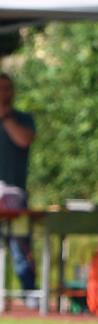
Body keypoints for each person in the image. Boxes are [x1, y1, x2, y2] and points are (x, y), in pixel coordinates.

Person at [0, 72, 38, 306]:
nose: (5, 93)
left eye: (8, 88)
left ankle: (30, 294)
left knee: (21, 248)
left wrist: (6, 118)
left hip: (15, 198)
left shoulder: (22, 119)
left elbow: (24, 140)